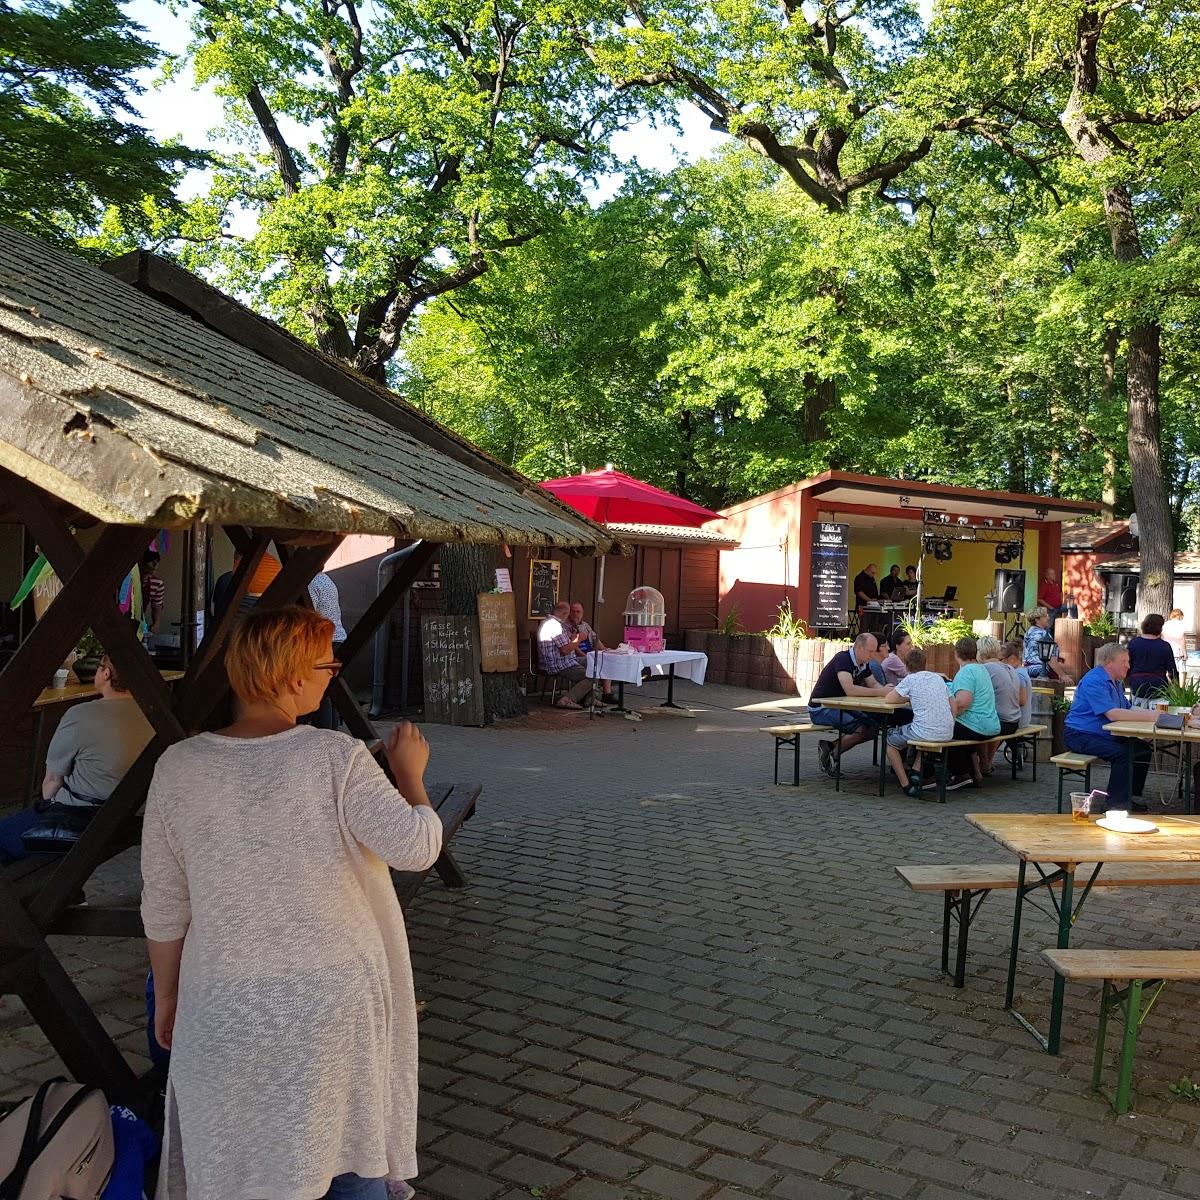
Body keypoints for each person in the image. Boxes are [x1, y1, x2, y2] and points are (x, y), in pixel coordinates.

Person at [141, 605, 443, 1200]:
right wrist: (411, 776)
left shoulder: (177, 766)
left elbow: (165, 903)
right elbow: (416, 847)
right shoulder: (335, 758)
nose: (333, 674)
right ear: (290, 675)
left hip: (222, 995)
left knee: (237, 1157)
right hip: (333, 999)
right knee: (346, 1155)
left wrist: (169, 995)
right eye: (326, 663)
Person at [1064, 642, 1170, 812]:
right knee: (1122, 754)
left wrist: (1157, 714)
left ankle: (1130, 796)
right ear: (1109, 663)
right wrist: (1152, 716)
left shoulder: (1116, 682)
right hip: (1079, 735)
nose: (1129, 666)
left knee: (1142, 749)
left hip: (1100, 734)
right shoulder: (1094, 680)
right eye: (1124, 661)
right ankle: (1116, 805)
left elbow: (1128, 709)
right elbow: (1113, 714)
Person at [42, 654, 154, 810]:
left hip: (84, 813)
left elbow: (53, 780)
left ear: (106, 673)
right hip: (144, 812)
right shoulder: (156, 715)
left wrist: (44, 806)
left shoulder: (79, 715)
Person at [810, 633, 885, 778]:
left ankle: (830, 747)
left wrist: (888, 692)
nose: (872, 655)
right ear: (860, 648)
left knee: (873, 728)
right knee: (861, 729)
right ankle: (832, 755)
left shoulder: (863, 663)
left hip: (841, 706)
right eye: (870, 651)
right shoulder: (843, 659)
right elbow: (850, 690)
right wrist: (880, 692)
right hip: (821, 708)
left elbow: (874, 683)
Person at [882, 647, 955, 796]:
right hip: (947, 731)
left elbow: (889, 699)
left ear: (906, 665)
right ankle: (916, 771)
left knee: (889, 740)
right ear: (925, 663)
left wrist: (909, 696)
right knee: (925, 730)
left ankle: (906, 785)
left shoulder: (910, 679)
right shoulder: (937, 678)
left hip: (924, 732)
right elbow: (952, 702)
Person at [946, 636, 1000, 789]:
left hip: (978, 725)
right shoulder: (981, 668)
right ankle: (972, 772)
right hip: (991, 724)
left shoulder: (966, 672)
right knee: (960, 729)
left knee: (943, 729)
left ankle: (960, 773)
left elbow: (963, 702)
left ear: (956, 653)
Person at [537, 601, 612, 708]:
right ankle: (567, 700)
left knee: (596, 663)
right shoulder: (553, 626)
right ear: (565, 614)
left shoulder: (550, 623)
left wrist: (572, 639)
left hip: (567, 660)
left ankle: (590, 699)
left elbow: (563, 646)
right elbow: (565, 650)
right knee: (592, 675)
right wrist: (579, 639)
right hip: (560, 664)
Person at [977, 635, 1026, 773]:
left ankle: (981, 764)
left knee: (972, 724)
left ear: (980, 652)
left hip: (1002, 722)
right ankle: (986, 762)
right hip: (1014, 720)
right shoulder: (1009, 668)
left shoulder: (985, 669)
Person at [307, 571, 348, 729]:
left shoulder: (311, 583)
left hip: (325, 641)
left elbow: (310, 612)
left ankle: (323, 730)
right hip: (338, 638)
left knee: (321, 690)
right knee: (330, 690)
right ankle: (332, 730)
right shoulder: (326, 580)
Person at [1126, 613, 1178, 699]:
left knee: (1136, 709)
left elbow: (1127, 664)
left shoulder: (1133, 643)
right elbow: (1172, 670)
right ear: (1160, 628)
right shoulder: (1165, 646)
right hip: (1158, 685)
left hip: (1137, 683)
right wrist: (1176, 688)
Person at [1023, 607, 1070, 681]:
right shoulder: (1042, 634)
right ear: (1037, 619)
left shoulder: (1029, 632)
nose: (1048, 617)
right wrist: (1063, 675)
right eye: (1045, 616)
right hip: (1041, 670)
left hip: (1028, 669)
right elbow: (1050, 658)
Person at [1002, 641, 1033, 729]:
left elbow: (1022, 701)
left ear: (1012, 659)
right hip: (1023, 719)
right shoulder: (1022, 671)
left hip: (1019, 721)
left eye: (1001, 660)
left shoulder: (1018, 675)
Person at [141, 551, 166, 634]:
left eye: (157, 561)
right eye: (151, 561)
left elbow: (157, 606)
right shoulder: (128, 580)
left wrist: (156, 623)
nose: (155, 565)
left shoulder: (157, 583)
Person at [1162, 608, 1187, 677]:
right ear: (1179, 615)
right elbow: (1182, 639)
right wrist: (1185, 653)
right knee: (1182, 671)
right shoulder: (1180, 625)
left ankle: (1169, 687)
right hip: (1178, 651)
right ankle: (1181, 687)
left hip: (1167, 650)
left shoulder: (1165, 624)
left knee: (1168, 671)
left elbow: (1162, 637)